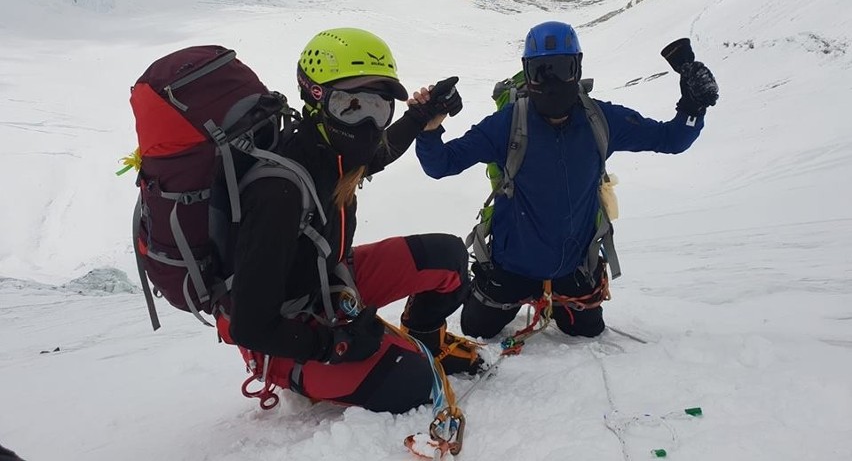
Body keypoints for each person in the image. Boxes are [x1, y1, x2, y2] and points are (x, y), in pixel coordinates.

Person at [219, 27, 483, 415]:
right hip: (282, 334)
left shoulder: (331, 146)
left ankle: (427, 339)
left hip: (329, 281)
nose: (368, 125)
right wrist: (334, 345)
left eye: (379, 109)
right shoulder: (279, 191)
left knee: (449, 257)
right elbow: (250, 325)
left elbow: (378, 152)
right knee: (413, 382)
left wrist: (422, 114)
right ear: (316, 97)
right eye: (351, 106)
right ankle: (305, 373)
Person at [412, 21, 719, 340]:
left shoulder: (600, 120)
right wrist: (429, 127)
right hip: (513, 266)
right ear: (527, 73)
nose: (552, 81)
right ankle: (537, 297)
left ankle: (550, 299)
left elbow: (672, 139)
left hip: (572, 266)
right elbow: (440, 164)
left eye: (562, 69)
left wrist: (693, 106)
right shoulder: (509, 124)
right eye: (542, 71)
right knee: (476, 328)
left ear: (578, 67)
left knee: (586, 331)